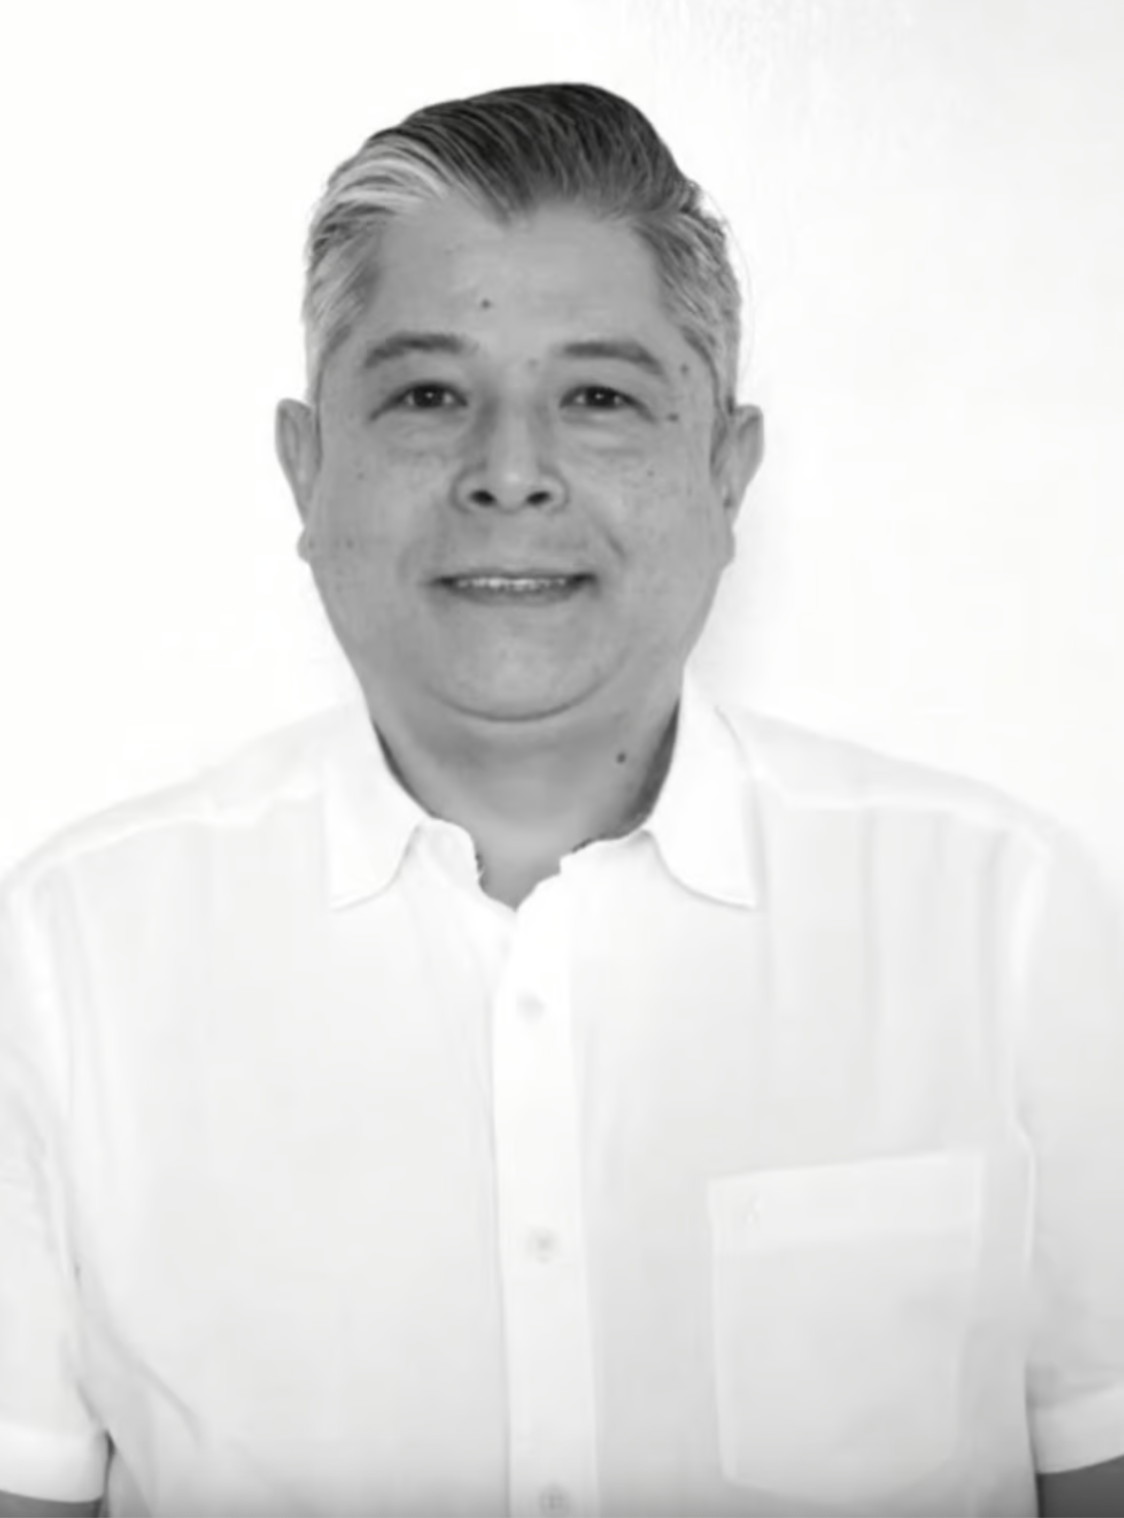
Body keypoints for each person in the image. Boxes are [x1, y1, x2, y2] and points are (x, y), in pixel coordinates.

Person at [2, 81, 1124, 1518]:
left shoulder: (1002, 922)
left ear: (727, 472)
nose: (511, 473)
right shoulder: (69, 962)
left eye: (598, 398)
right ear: (306, 467)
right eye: (427, 395)